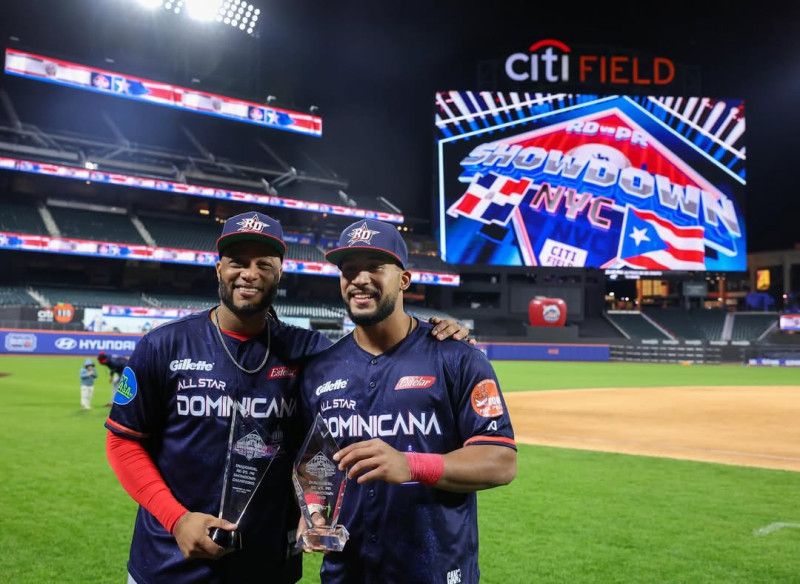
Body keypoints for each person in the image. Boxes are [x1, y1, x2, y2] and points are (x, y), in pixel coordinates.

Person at [104, 211, 471, 584]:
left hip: (267, 567)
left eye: (264, 264)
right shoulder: (163, 345)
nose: (249, 273)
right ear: (218, 269)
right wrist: (176, 519)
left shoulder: (312, 353)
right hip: (167, 562)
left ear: (280, 273)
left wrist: (436, 336)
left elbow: (325, 444)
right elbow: (122, 442)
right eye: (238, 262)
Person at [299, 219, 518, 584]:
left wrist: (412, 465)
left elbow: (501, 461)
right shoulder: (319, 370)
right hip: (347, 573)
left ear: (403, 280)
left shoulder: (457, 358)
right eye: (349, 270)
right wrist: (312, 512)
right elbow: (314, 464)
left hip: (434, 571)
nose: (359, 279)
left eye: (375, 268)